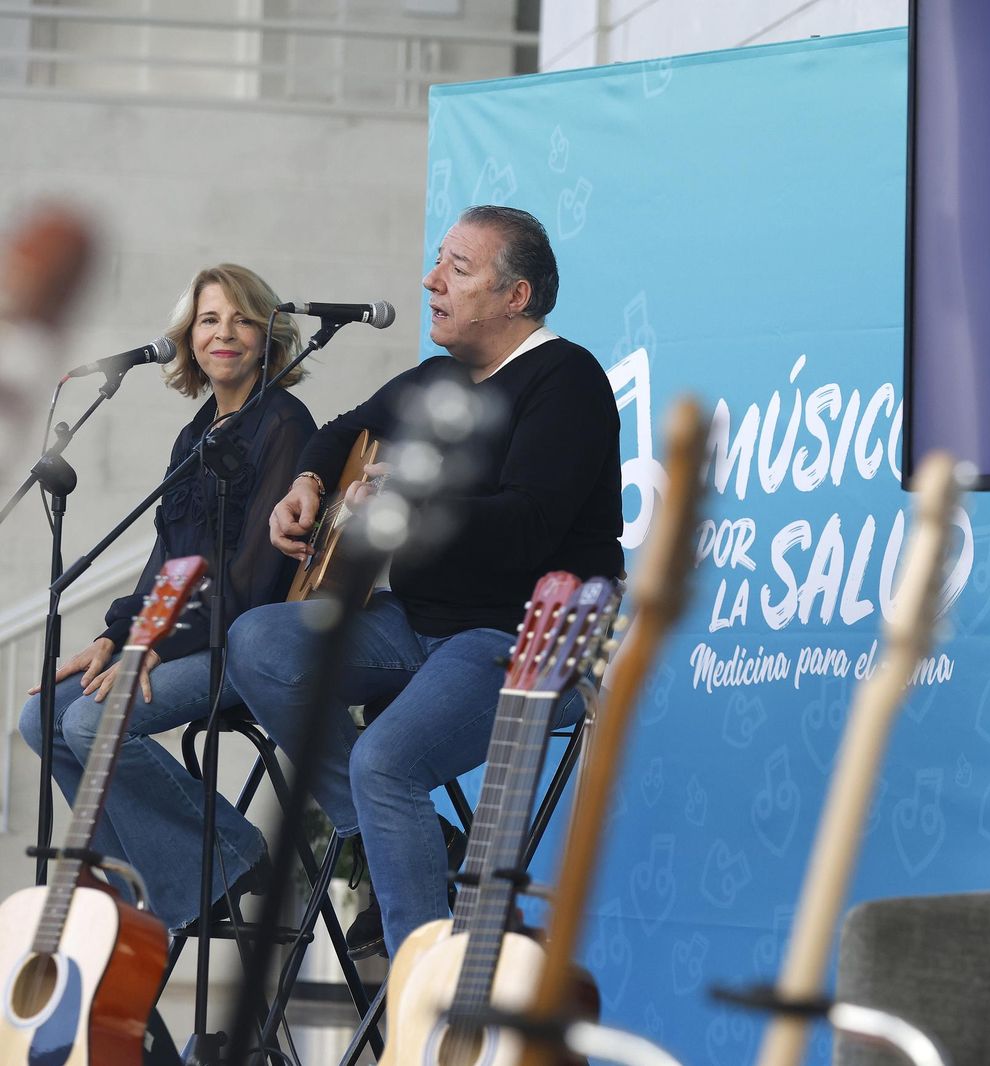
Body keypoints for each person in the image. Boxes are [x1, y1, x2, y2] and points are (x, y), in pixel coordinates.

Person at [228, 205, 624, 959]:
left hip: (523, 639)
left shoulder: (566, 380)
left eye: (458, 268)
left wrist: (416, 505)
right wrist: (309, 480)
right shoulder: (439, 378)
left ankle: (423, 983)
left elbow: (528, 525)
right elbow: (343, 429)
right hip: (418, 627)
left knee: (388, 763)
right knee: (261, 643)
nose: (430, 280)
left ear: (517, 296)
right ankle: (413, 840)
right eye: (438, 261)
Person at [20, 264, 316, 933]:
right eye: (209, 320)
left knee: (93, 722)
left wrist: (153, 645)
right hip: (180, 635)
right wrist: (117, 636)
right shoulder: (197, 432)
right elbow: (169, 564)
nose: (225, 333)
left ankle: (230, 855)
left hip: (244, 645)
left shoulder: (283, 424)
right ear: (188, 337)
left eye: (242, 318)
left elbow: (250, 580)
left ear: (268, 336)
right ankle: (146, 896)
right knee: (43, 720)